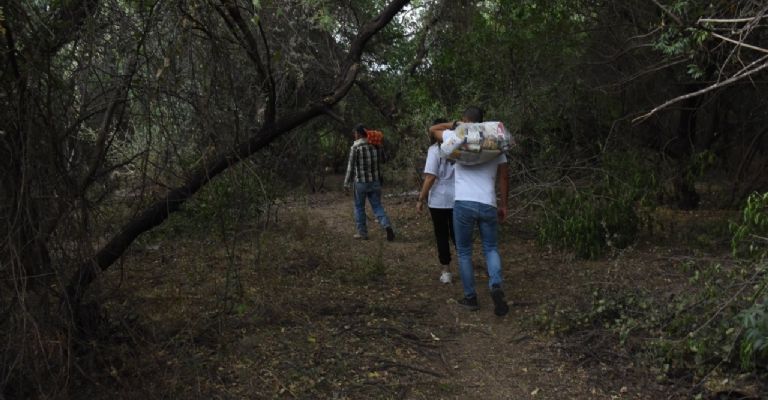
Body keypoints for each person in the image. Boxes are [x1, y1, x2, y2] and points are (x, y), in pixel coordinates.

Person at [429, 107, 510, 316]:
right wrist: (503, 205)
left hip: (463, 203)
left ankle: (471, 297)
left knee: (464, 252)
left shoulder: (458, 137)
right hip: (488, 202)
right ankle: (496, 285)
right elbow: (503, 178)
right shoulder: (494, 143)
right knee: (491, 247)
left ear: (466, 120)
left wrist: (454, 124)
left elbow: (432, 129)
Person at [417, 118, 456, 284]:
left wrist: (420, 198)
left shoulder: (434, 150)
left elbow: (430, 176)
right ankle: (465, 265)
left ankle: (446, 271)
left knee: (441, 235)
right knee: (458, 235)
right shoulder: (458, 147)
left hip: (438, 200)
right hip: (457, 198)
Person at [343, 124, 395, 241]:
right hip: (375, 182)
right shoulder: (375, 146)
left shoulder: (355, 148)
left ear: (359, 134)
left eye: (355, 133)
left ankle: (362, 233)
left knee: (359, 207)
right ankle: (387, 225)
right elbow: (382, 162)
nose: (354, 135)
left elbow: (350, 168)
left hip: (360, 183)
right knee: (377, 206)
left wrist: (346, 184)